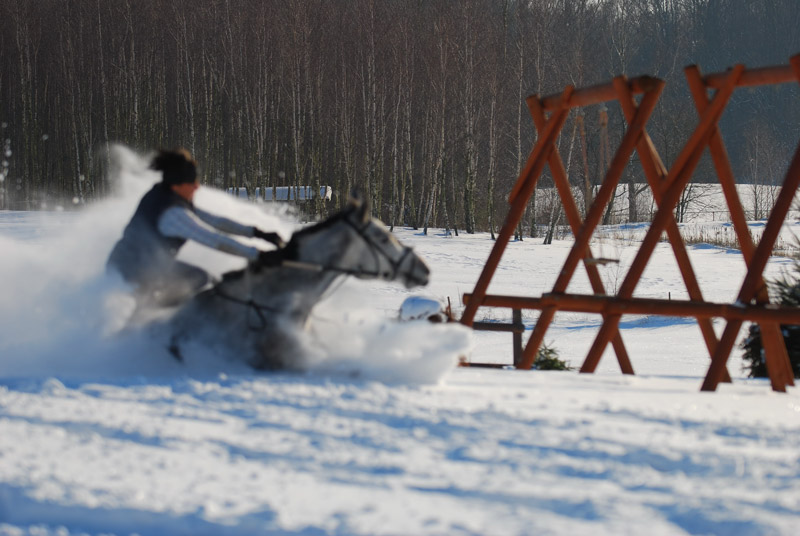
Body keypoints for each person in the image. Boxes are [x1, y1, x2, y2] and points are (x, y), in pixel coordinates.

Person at [107, 148, 284, 307]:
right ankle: (153, 317)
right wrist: (258, 255)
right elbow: (213, 239)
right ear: (177, 185)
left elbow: (215, 222)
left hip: (143, 265)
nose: (197, 186)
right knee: (198, 279)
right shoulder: (173, 214)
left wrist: (257, 233)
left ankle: (155, 312)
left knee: (207, 280)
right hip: (132, 271)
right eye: (192, 183)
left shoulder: (168, 195)